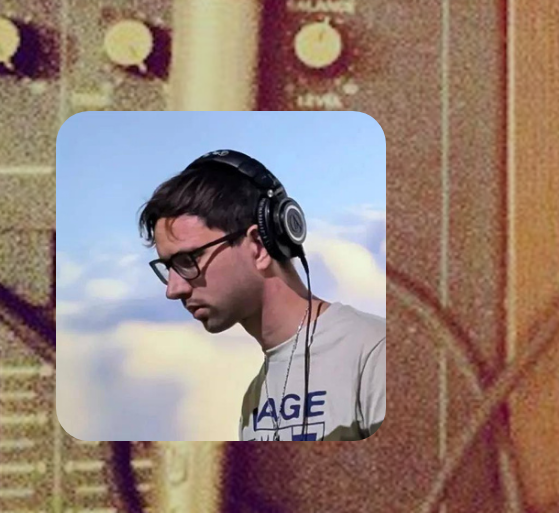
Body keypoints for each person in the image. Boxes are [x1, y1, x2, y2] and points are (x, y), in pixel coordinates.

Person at [139, 151, 385, 440]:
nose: (173, 289)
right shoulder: (254, 400)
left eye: (187, 260)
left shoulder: (375, 354)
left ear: (257, 246)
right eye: (168, 268)